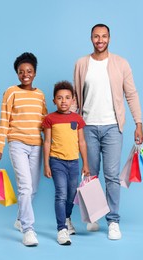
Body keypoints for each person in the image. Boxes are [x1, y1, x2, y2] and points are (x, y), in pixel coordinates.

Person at [72, 24, 143, 240]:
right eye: (96, 36)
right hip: (88, 127)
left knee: (111, 176)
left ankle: (113, 221)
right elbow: (75, 96)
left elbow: (131, 94)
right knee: (90, 174)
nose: (100, 40)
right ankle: (93, 217)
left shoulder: (121, 63)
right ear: (91, 39)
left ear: (109, 39)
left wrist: (138, 122)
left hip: (113, 127)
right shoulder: (81, 64)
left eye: (104, 36)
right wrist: (72, 126)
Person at [0, 52, 47, 247]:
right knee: (25, 186)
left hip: (37, 145)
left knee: (33, 189)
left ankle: (18, 219)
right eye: (21, 71)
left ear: (35, 73)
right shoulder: (11, 92)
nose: (25, 74)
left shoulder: (40, 95)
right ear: (17, 74)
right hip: (17, 143)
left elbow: (44, 123)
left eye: (29, 71)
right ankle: (28, 229)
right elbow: (4, 120)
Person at [42, 81, 90, 245]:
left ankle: (67, 218)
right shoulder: (50, 119)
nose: (64, 101)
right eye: (60, 98)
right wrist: (47, 164)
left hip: (74, 163)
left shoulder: (77, 119)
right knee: (61, 194)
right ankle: (61, 229)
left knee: (71, 196)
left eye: (67, 98)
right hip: (57, 162)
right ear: (54, 100)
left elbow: (82, 142)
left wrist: (86, 164)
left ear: (73, 100)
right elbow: (47, 142)